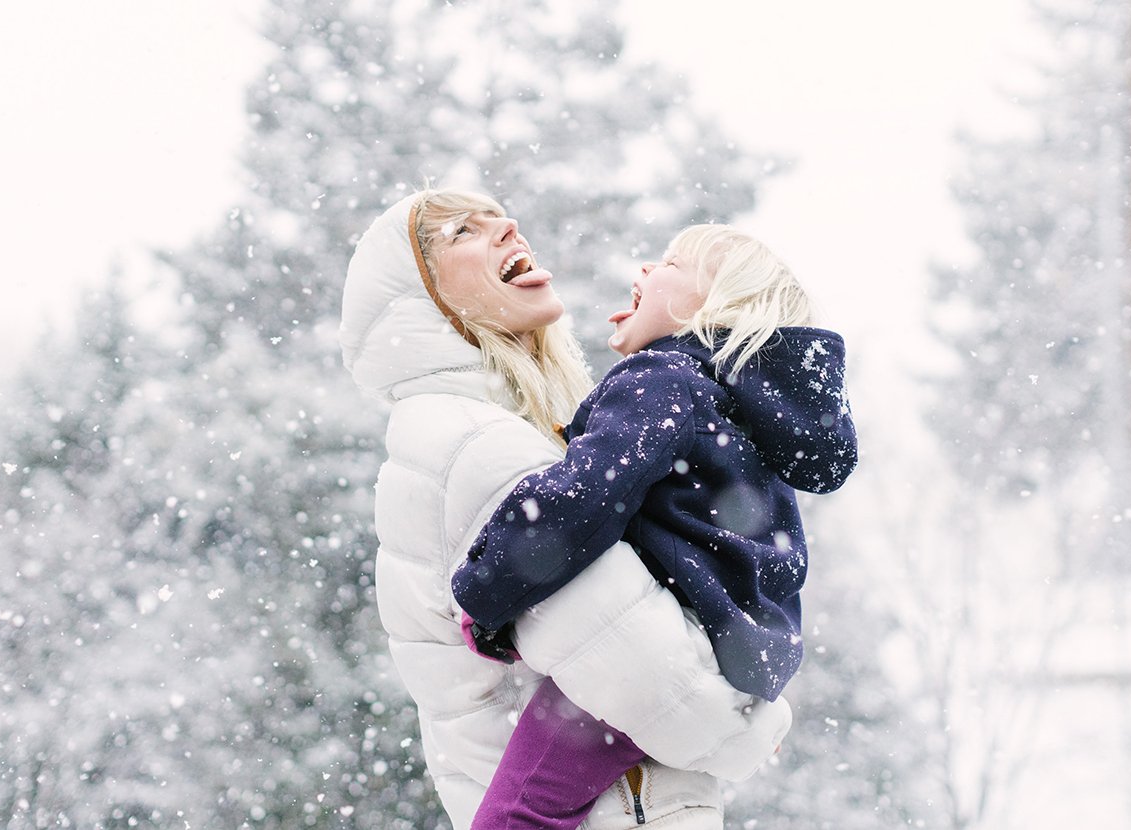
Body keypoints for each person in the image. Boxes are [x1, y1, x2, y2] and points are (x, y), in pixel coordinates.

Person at [338, 188, 792, 830]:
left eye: (501, 216)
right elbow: (641, 672)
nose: (508, 229)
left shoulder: (517, 428)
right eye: (463, 231)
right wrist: (755, 720)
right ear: (422, 303)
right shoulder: (479, 441)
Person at [452, 223, 858, 829]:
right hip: (727, 657)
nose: (643, 269)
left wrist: (486, 593)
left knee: (518, 813)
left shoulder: (661, 382)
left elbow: (580, 498)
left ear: (714, 308)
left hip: (653, 650)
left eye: (668, 262)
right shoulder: (736, 413)